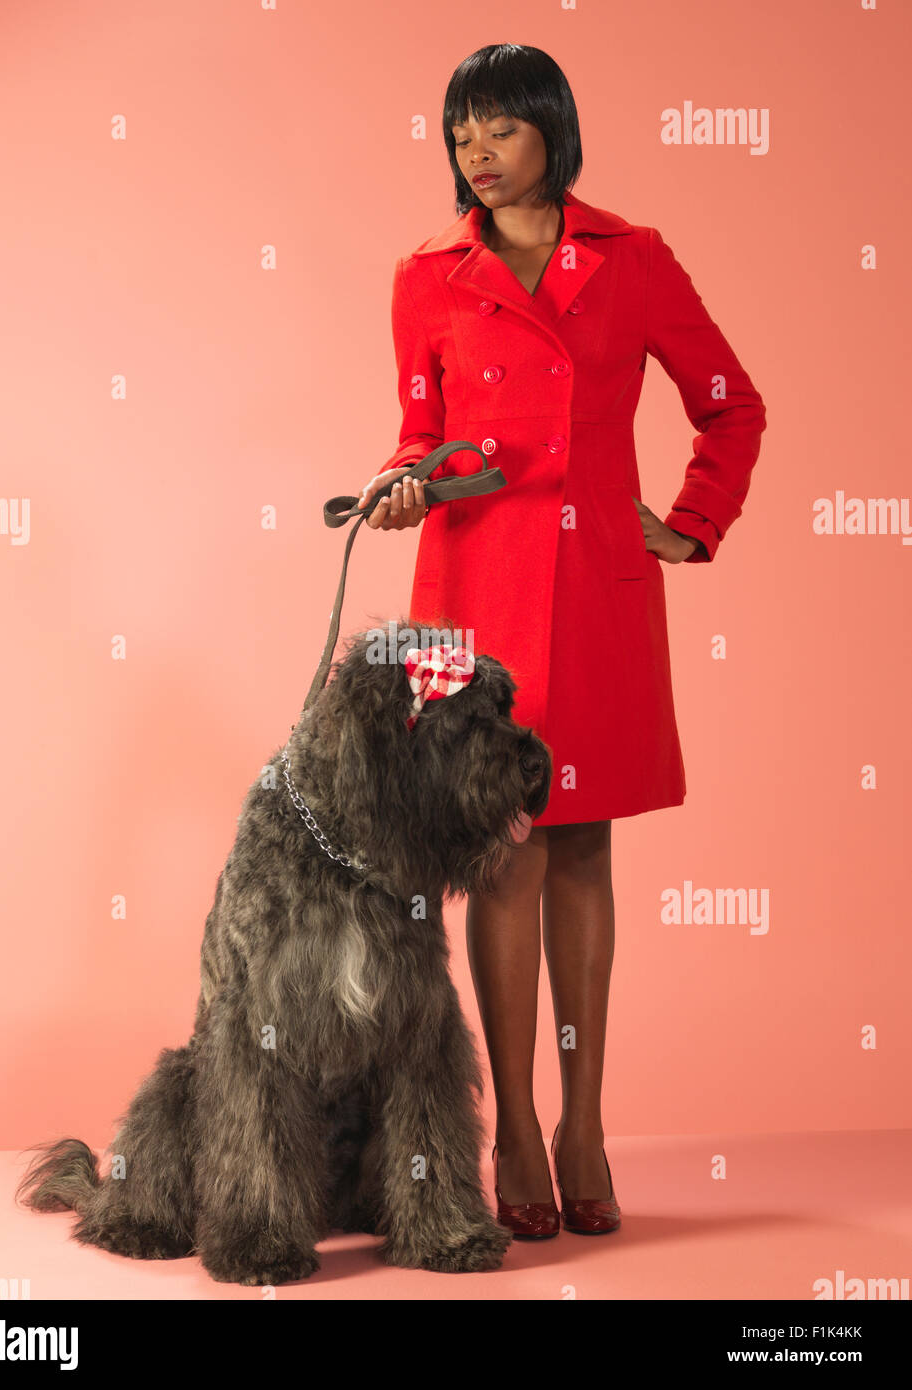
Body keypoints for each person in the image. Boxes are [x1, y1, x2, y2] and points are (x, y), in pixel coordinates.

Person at [357, 44, 766, 1237]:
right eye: (459, 135)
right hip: (466, 596)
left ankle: (585, 1119)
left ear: (552, 131)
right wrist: (399, 483)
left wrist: (689, 527)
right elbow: (415, 428)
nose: (477, 155)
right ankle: (516, 1127)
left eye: (498, 130)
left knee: (579, 848)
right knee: (498, 855)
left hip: (591, 585)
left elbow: (729, 401)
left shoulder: (632, 261)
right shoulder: (426, 274)